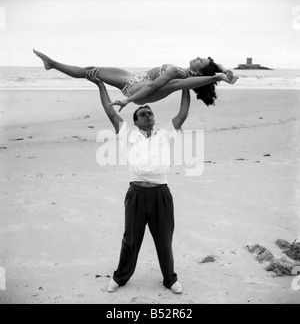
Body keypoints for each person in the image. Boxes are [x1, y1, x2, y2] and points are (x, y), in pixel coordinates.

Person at [86, 69, 192, 294]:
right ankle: (120, 277)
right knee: (130, 240)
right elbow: (111, 113)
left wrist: (186, 85)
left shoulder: (165, 134)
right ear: (135, 122)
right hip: (136, 194)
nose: (148, 116)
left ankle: (170, 279)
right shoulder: (128, 135)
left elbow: (182, 114)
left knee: (164, 239)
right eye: (143, 114)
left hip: (161, 194)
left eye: (150, 113)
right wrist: (100, 86)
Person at [33, 49, 238, 111]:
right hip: (134, 78)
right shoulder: (186, 73)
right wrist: (225, 71)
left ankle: (52, 64)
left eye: (200, 60)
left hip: (137, 88)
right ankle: (52, 64)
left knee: (92, 72)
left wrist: (128, 100)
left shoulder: (179, 75)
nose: (197, 57)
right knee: (91, 70)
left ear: (202, 70)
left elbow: (152, 86)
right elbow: (214, 66)